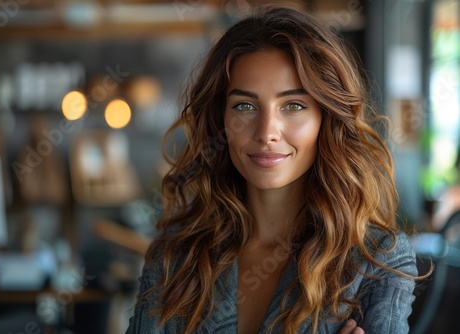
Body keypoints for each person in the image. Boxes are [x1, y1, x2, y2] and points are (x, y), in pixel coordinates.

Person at [126, 3, 418, 334]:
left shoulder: (376, 260)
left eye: (293, 106)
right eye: (245, 106)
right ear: (220, 118)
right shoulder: (175, 254)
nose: (267, 132)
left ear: (327, 119)